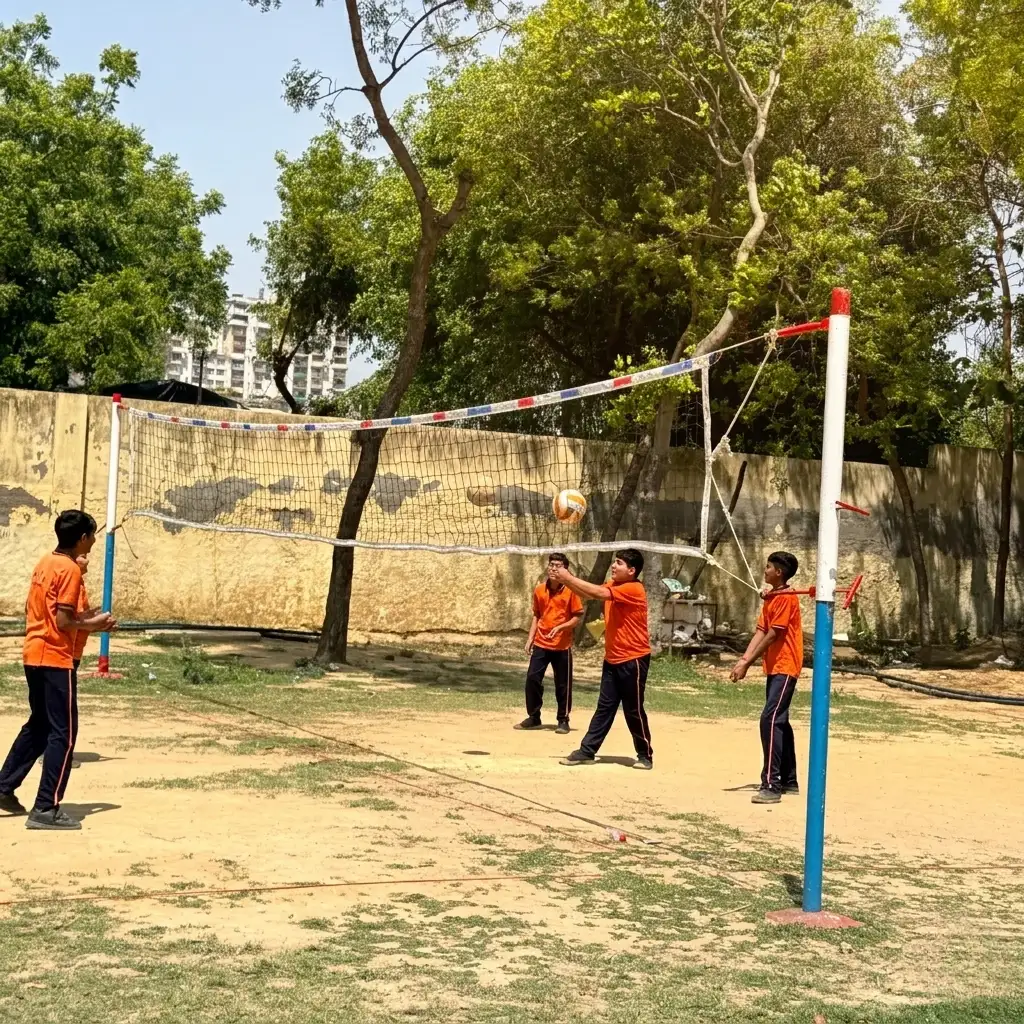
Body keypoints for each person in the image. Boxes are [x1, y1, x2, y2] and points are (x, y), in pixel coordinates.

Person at [0, 511, 115, 829]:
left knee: (39, 726)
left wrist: (88, 619)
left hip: (34, 654)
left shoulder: (45, 563)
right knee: (63, 735)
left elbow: (50, 613)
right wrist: (97, 623)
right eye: (92, 536)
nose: (93, 541)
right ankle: (46, 807)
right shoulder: (69, 570)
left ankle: (4, 786)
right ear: (82, 539)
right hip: (54, 658)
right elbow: (64, 622)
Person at [550, 549, 654, 770]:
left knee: (633, 708)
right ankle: (587, 750)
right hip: (613, 659)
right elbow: (590, 593)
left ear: (632, 570)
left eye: (619, 563)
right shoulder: (613, 585)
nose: (614, 566)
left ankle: (645, 755)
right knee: (604, 707)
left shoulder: (634, 589)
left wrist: (567, 577)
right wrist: (565, 580)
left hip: (633, 659)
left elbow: (598, 593)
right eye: (614, 562)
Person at [729, 551, 804, 805]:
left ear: (779, 572)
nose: (765, 570)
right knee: (779, 720)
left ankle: (771, 784)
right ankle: (789, 780)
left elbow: (773, 635)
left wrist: (747, 662)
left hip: (786, 665)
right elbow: (761, 631)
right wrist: (744, 661)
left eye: (768, 567)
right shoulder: (772, 598)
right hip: (774, 666)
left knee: (770, 719)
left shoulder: (786, 599)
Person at [517, 553, 583, 734]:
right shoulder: (539, 590)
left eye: (558, 566)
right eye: (552, 565)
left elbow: (577, 617)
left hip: (562, 645)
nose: (554, 569)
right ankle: (534, 716)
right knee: (532, 678)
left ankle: (563, 720)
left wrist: (562, 627)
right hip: (541, 643)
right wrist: (530, 637)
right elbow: (537, 615)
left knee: (563, 684)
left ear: (565, 570)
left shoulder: (571, 591)